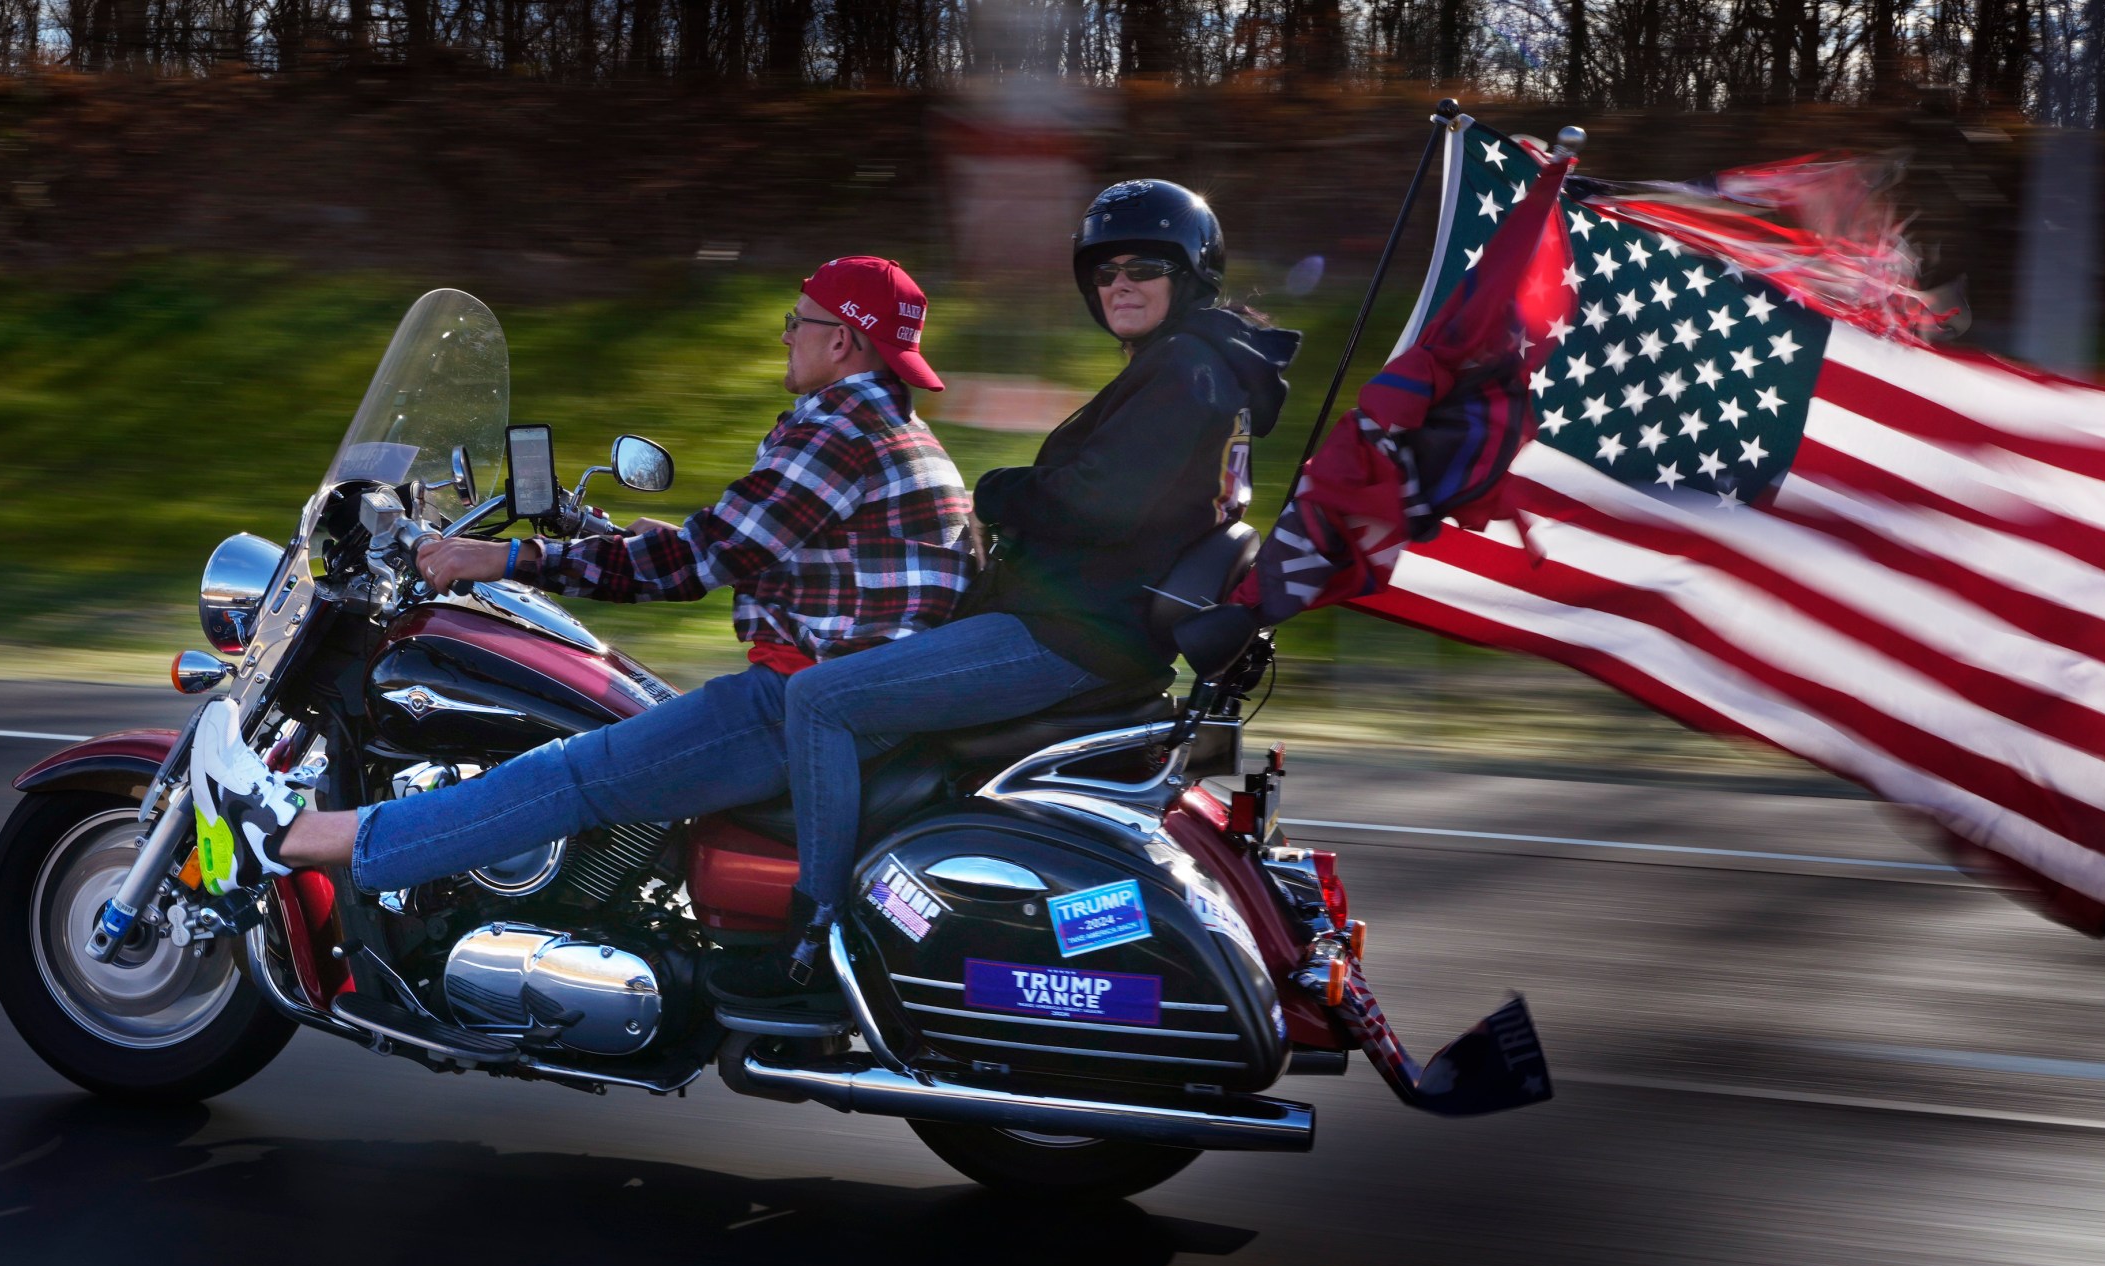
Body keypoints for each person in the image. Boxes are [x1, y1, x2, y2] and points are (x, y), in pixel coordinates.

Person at [186, 256, 974, 1000]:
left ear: (842, 339)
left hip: (800, 703)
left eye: (798, 322)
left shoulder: (835, 431)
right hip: (863, 701)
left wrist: (502, 561)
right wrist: (622, 541)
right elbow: (795, 553)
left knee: (561, 775)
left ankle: (287, 840)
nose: (784, 335)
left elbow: (694, 563)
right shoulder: (896, 433)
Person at [770, 180, 1300, 991]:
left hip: (1071, 636)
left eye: (1143, 267)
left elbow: (1100, 504)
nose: (1118, 285)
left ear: (1189, 273)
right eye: (1104, 271)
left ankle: (813, 935)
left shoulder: (1187, 370)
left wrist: (997, 490)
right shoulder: (1201, 365)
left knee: (820, 700)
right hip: (1096, 627)